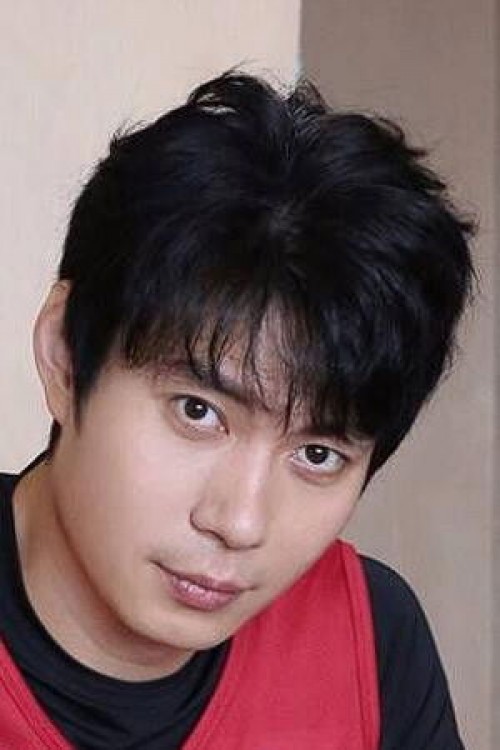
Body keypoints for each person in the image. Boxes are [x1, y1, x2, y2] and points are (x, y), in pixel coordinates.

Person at [0, 70, 474, 750]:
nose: (239, 523)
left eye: (317, 455)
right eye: (198, 412)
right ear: (64, 355)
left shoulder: (371, 639)